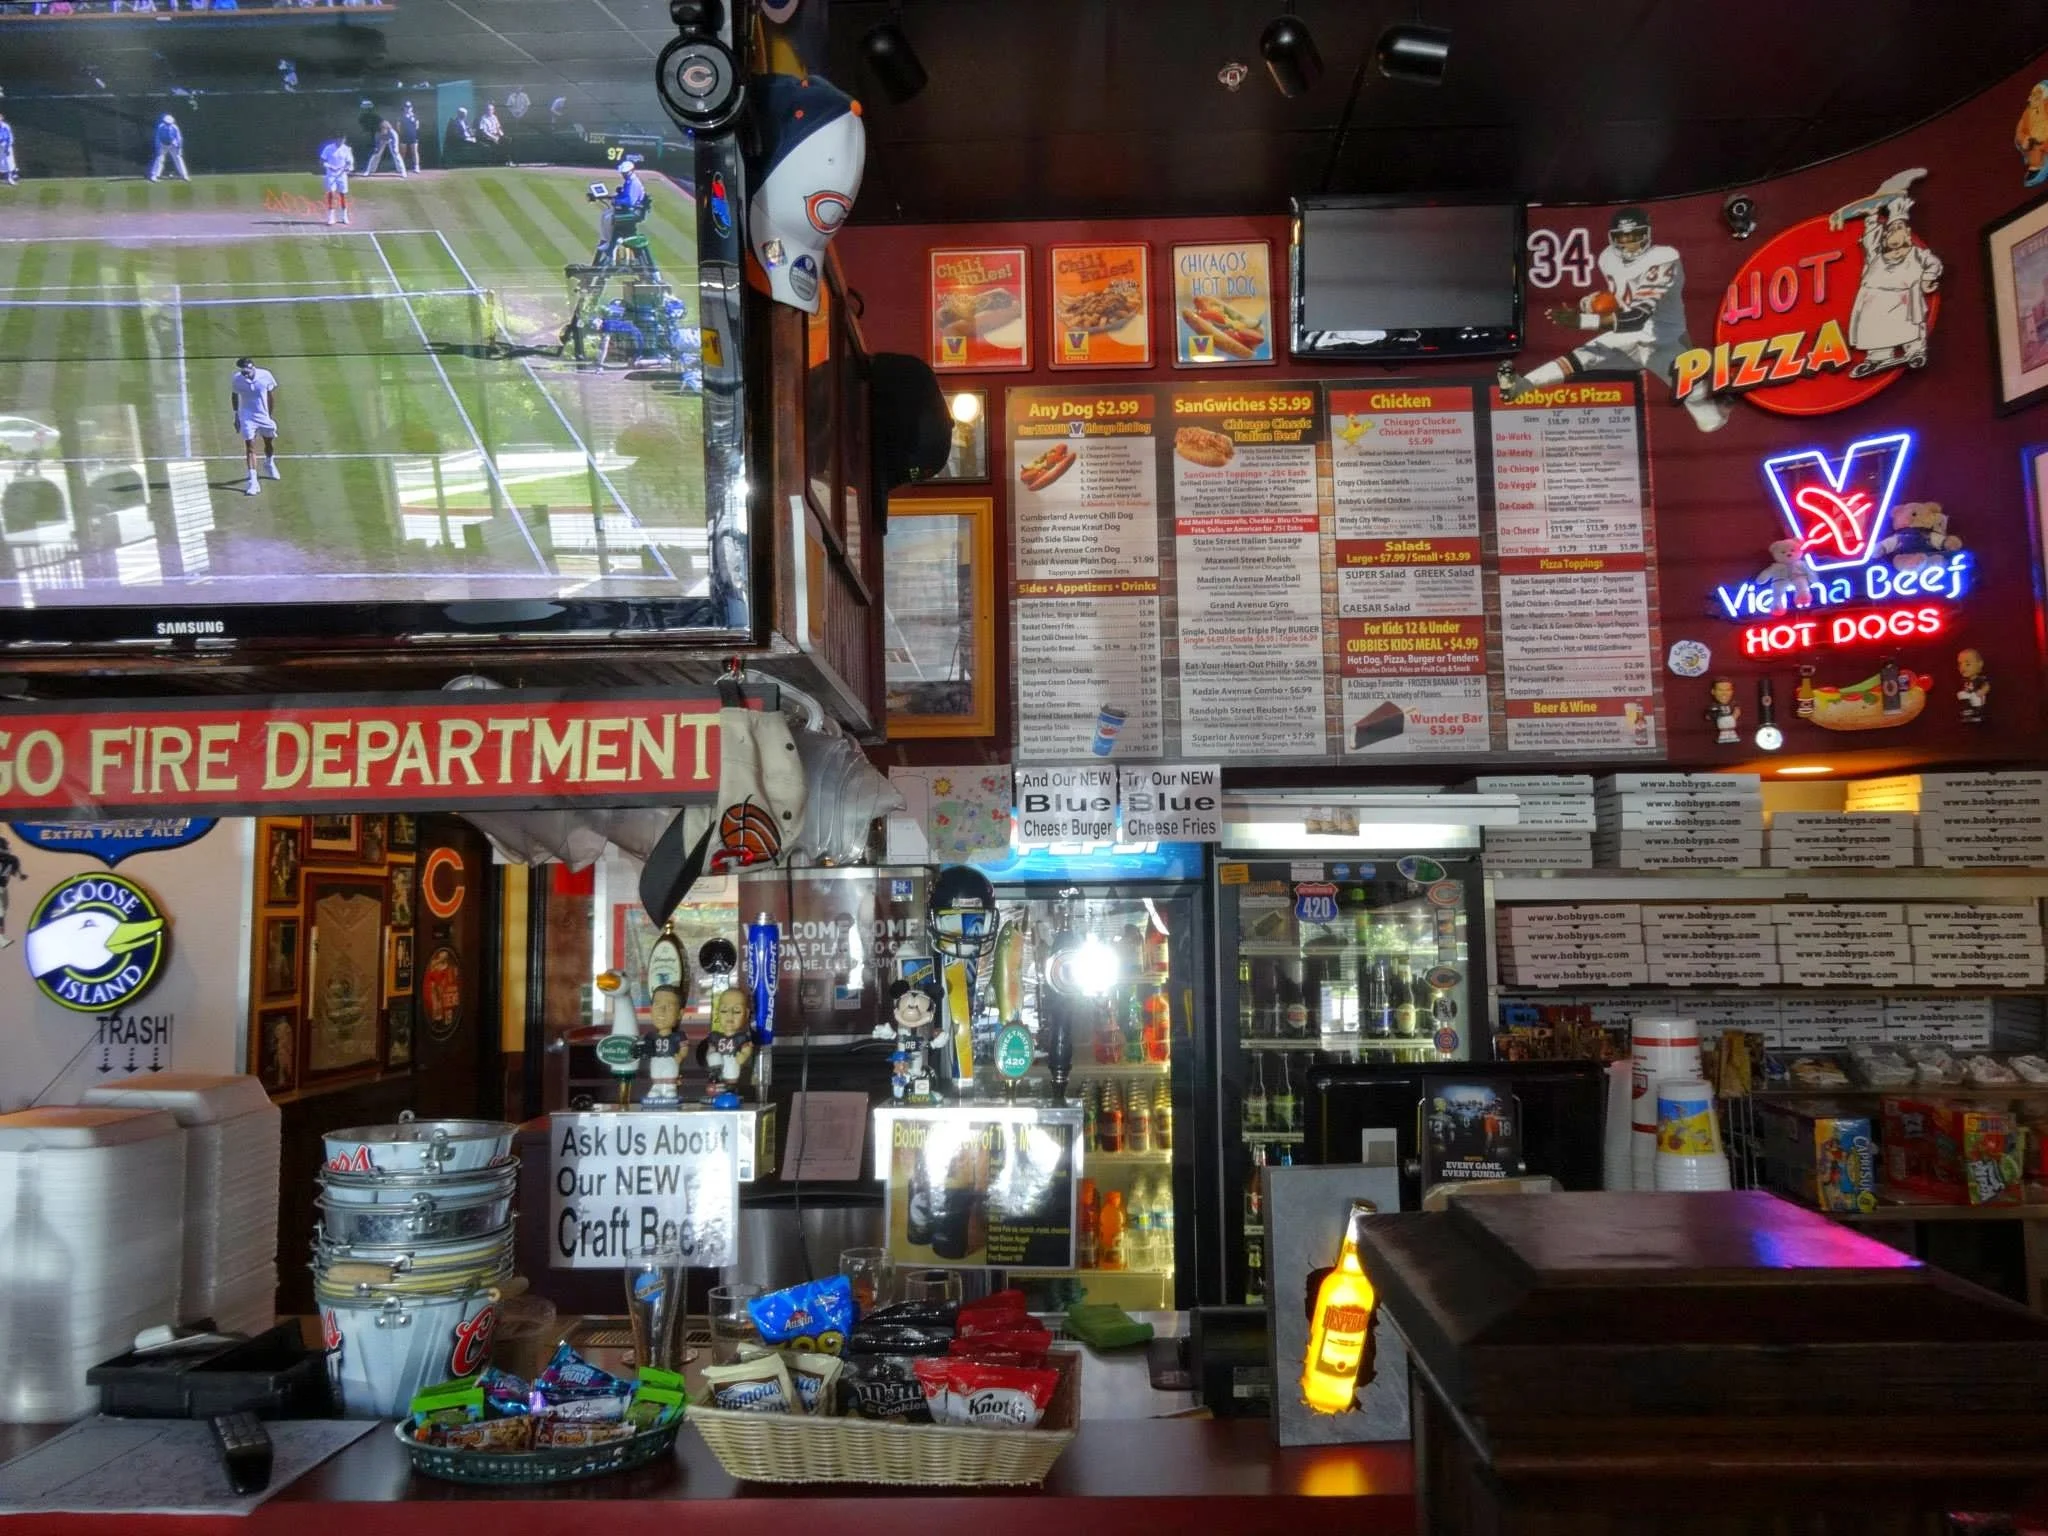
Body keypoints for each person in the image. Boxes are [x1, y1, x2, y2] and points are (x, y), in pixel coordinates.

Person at [1498, 205, 1729, 433]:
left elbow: (1638, 316)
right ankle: (1522, 386)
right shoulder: (1608, 258)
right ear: (1613, 238)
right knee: (1582, 356)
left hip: (1663, 341)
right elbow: (1622, 300)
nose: (1628, 243)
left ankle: (1717, 403)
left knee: (1709, 419)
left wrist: (1581, 321)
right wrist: (1590, 304)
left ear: (1647, 234)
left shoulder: (1664, 259)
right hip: (1630, 336)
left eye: (1634, 235)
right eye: (1622, 237)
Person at [1830, 169, 1943, 377]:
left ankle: (1914, 350)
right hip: (1875, 300)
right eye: (1891, 230)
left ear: (1907, 234)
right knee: (1875, 329)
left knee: (1910, 327)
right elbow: (1870, 238)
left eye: (1899, 229)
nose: (1894, 234)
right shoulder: (1876, 253)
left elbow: (1933, 264)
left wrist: (1927, 280)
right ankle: (1877, 357)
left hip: (1904, 298)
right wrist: (1872, 216)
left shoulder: (1916, 254)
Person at [229, 356, 280, 496]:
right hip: (247, 417)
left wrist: (269, 416)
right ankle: (253, 481)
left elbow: (270, 396)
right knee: (250, 446)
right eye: (242, 371)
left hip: (263, 415)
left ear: (252, 367)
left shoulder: (266, 375)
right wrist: (236, 416)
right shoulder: (237, 379)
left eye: (246, 371)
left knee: (268, 443)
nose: (244, 374)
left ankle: (269, 463)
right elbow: (234, 396)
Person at [592, 156, 650, 267]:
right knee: (605, 215)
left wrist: (616, 200)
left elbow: (630, 201)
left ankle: (609, 243)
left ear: (631, 171)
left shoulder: (634, 183)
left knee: (609, 218)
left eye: (625, 173)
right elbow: (624, 196)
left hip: (632, 211)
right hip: (628, 210)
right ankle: (607, 240)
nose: (623, 175)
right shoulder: (629, 182)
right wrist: (613, 197)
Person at [319, 133, 354, 225]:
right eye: (340, 139)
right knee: (331, 194)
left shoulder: (347, 149)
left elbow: (350, 163)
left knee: (343, 195)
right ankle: (331, 217)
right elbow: (322, 161)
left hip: (342, 175)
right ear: (336, 139)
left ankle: (344, 216)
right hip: (331, 175)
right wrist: (330, 166)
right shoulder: (328, 148)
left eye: (343, 139)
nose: (341, 141)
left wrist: (348, 168)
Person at [148, 112, 188, 182]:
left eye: (169, 123)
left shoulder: (175, 127)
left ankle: (184, 176)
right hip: (163, 145)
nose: (168, 124)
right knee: (159, 159)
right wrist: (158, 147)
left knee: (178, 159)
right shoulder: (160, 127)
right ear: (164, 122)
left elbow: (179, 138)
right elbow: (157, 137)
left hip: (173, 145)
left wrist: (179, 148)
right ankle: (154, 176)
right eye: (166, 123)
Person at [398, 100, 421, 173]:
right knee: (402, 153)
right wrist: (403, 133)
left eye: (409, 107)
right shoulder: (401, 116)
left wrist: (412, 132)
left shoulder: (415, 116)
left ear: (412, 108)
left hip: (413, 136)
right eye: (406, 107)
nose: (408, 108)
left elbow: (417, 126)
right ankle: (401, 168)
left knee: (415, 152)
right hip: (404, 137)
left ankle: (416, 167)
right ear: (404, 108)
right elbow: (398, 127)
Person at [0, 114, 16, 185]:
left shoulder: (6, 126)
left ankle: (9, 178)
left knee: (8, 162)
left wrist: (8, 146)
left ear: (2, 118)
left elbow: (10, 136)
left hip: (6, 146)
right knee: (2, 163)